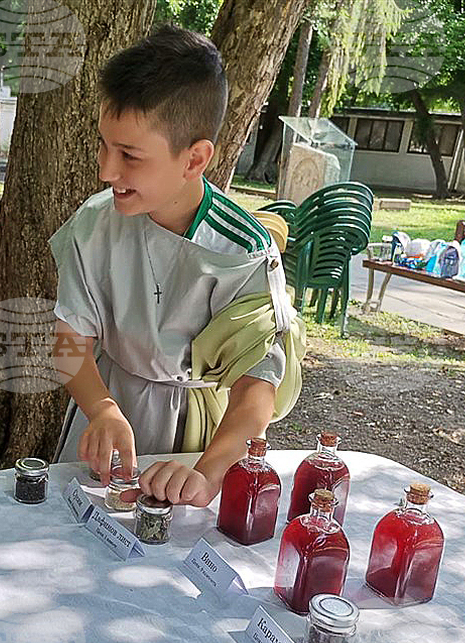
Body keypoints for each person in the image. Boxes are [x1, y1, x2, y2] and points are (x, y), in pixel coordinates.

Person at [50, 25, 304, 506]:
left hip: (194, 434)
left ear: (195, 159)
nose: (107, 170)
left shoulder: (240, 251)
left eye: (129, 155)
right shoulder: (94, 223)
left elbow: (258, 385)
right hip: (106, 404)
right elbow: (69, 340)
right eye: (103, 145)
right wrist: (101, 408)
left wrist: (208, 472)